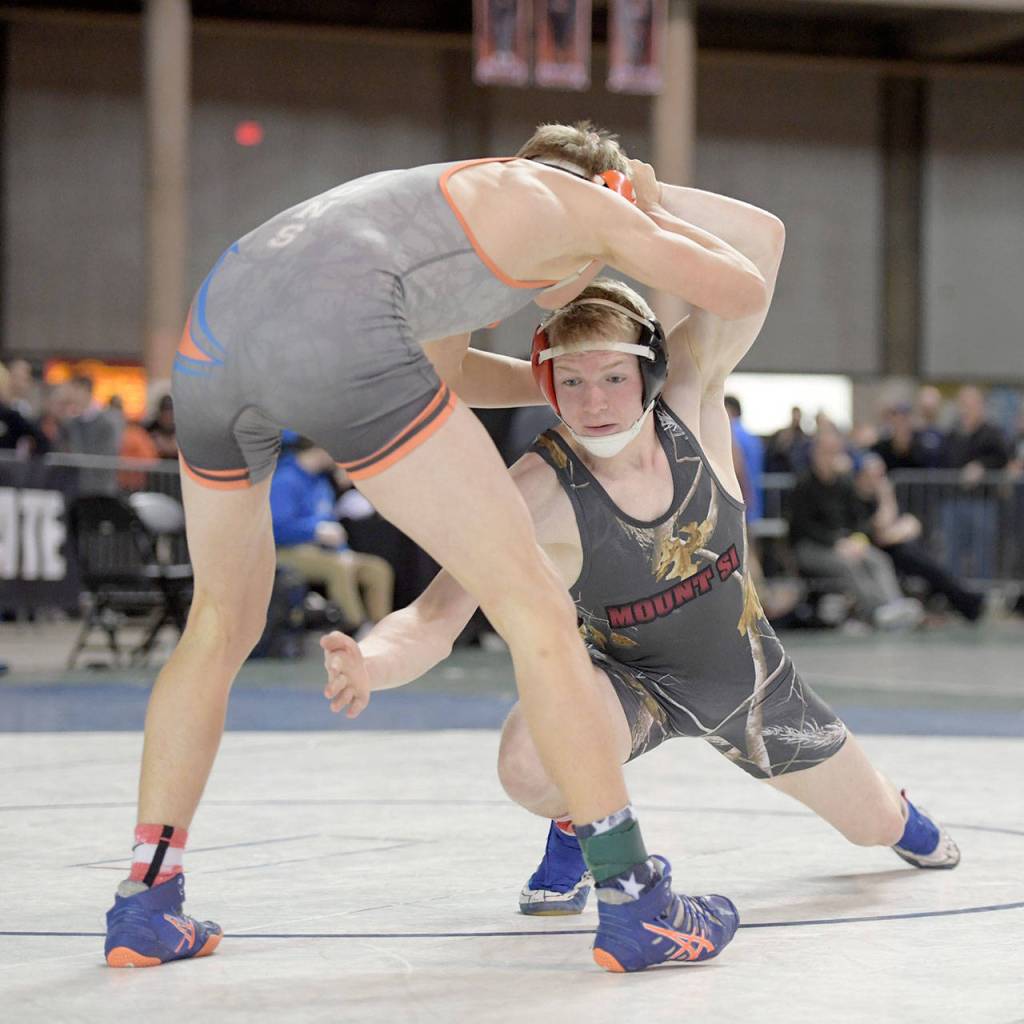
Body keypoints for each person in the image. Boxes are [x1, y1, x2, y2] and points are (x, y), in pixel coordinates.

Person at [103, 122, 771, 973]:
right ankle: (635, 898)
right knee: (532, 603)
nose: (571, 296)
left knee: (219, 622)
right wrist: (647, 209)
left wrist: (549, 383)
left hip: (214, 333)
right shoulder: (581, 203)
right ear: (600, 191)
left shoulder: (464, 209)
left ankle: (146, 900)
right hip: (338, 326)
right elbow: (743, 289)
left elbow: (446, 375)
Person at [322, 275, 957, 964]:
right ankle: (576, 817)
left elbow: (758, 253)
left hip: (748, 683)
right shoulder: (532, 492)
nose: (593, 402)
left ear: (650, 370)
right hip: (628, 686)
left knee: (874, 825)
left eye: (613, 377)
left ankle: (897, 814)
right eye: (572, 381)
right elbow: (434, 618)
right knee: (526, 763)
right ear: (547, 383)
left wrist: (630, 206)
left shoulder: (693, 402)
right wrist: (371, 662)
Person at [788, 428, 924, 630]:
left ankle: (894, 604)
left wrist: (857, 540)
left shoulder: (844, 483)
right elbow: (803, 527)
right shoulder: (803, 485)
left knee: (878, 559)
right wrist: (835, 543)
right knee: (847, 564)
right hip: (812, 547)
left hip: (846, 542)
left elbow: (859, 520)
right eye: (826, 451)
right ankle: (876, 611)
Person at [270, 435, 394, 632]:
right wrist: (313, 531)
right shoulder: (285, 479)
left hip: (324, 551)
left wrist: (343, 551)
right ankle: (357, 628)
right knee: (338, 568)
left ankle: (382, 629)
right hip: (287, 551)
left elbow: (330, 523)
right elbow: (275, 528)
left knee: (377, 569)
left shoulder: (321, 483)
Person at [854, 453, 984, 622]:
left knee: (928, 561)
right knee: (916, 560)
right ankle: (966, 601)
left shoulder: (874, 496)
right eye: (876, 475)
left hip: (895, 546)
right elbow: (881, 532)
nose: (880, 479)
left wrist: (903, 528)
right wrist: (886, 496)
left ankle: (961, 600)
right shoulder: (858, 498)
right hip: (874, 550)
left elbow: (910, 524)